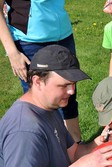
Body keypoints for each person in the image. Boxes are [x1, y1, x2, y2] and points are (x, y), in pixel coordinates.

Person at [0, 45, 112, 167]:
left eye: (73, 84)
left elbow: (72, 154)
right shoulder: (25, 132)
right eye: (64, 85)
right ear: (38, 81)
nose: (72, 91)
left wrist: (99, 142)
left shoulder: (50, 107)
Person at [0, 0, 82, 143]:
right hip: (30, 42)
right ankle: (47, 154)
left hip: (63, 36)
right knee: (40, 103)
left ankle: (76, 148)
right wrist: (12, 52)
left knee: (68, 94)